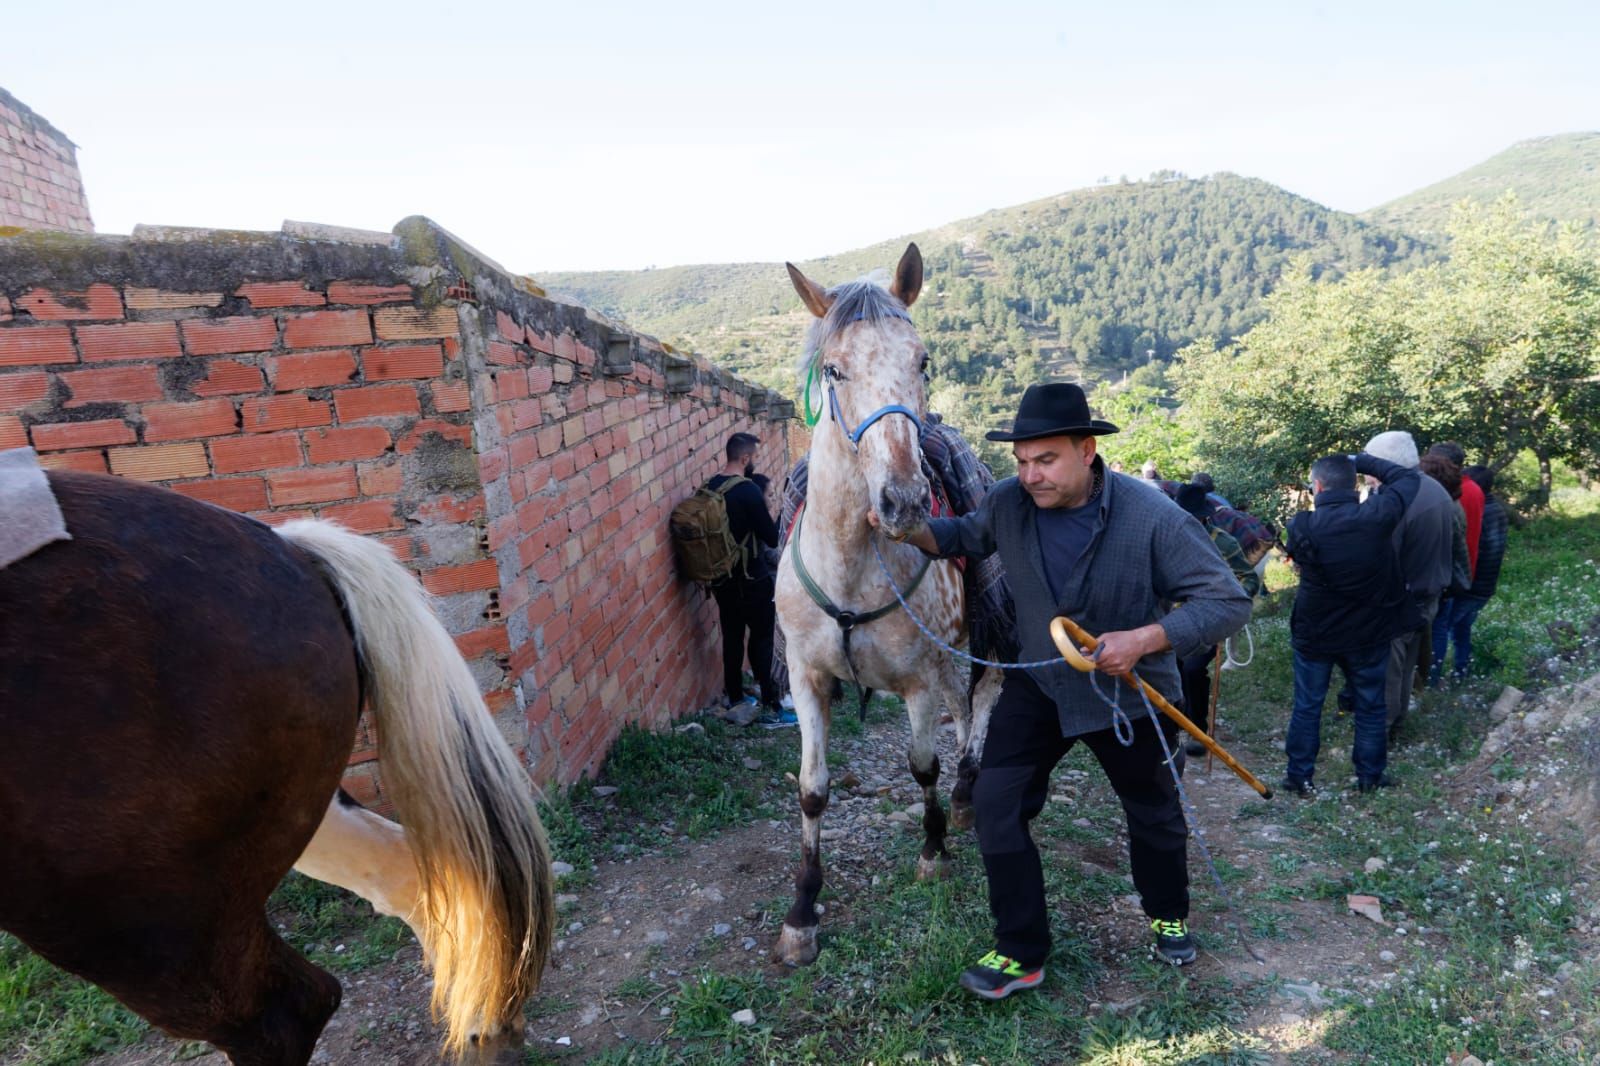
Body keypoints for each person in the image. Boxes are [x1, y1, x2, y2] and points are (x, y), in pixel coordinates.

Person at [873, 383, 1251, 997]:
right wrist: (903, 528)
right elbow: (962, 536)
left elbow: (1227, 601)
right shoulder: (1008, 503)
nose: (1030, 476)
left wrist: (1146, 637)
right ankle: (1020, 950)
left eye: (1045, 460)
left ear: (1086, 450)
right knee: (996, 805)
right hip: (1041, 685)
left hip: (1129, 694)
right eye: (1021, 462)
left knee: (1153, 815)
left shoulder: (1153, 516)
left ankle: (1167, 914)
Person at [1283, 453, 1421, 796]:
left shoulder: (1301, 525)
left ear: (1317, 486)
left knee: (1308, 704)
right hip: (1367, 631)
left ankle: (1299, 776)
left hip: (1316, 632)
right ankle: (1370, 776)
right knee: (1371, 705)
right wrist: (1361, 459)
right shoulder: (1376, 517)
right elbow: (1408, 479)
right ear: (1355, 483)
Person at [1364, 430, 1455, 736]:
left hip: (1400, 597)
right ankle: (1398, 721)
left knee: (1390, 668)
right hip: (1428, 594)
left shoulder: (1401, 498)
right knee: (1406, 666)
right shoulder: (1434, 489)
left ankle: (1383, 731)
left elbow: (1382, 554)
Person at [1174, 482, 1262, 757]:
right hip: (1171, 617)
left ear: (1205, 516)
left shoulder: (1222, 541)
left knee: (1192, 669)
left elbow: (1248, 578)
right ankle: (1173, 721)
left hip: (1207, 617)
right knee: (1171, 670)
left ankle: (1197, 730)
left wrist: (1233, 599)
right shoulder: (1168, 536)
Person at [708, 433, 781, 716]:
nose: (756, 463)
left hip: (722, 580)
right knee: (762, 639)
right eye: (755, 458)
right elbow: (772, 538)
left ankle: (735, 696)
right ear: (745, 458)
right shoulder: (749, 491)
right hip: (753, 579)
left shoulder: (711, 487)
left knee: (732, 637)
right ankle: (771, 703)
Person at [1431, 465, 1509, 683]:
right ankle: (1461, 670)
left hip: (1474, 585)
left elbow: (1471, 546)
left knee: (1444, 628)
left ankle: (1436, 676)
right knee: (1461, 629)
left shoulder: (1483, 512)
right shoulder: (1498, 510)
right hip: (1486, 585)